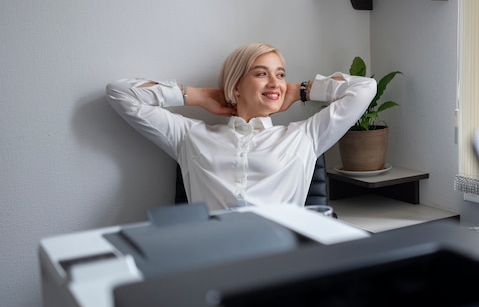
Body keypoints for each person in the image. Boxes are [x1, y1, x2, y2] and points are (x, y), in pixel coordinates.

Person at [106, 42, 377, 211]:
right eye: (261, 73)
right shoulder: (190, 136)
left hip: (279, 260)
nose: (274, 82)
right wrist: (197, 96)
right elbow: (120, 93)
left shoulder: (305, 136)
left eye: (280, 74)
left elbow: (365, 88)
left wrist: (301, 90)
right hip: (212, 261)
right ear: (236, 86)